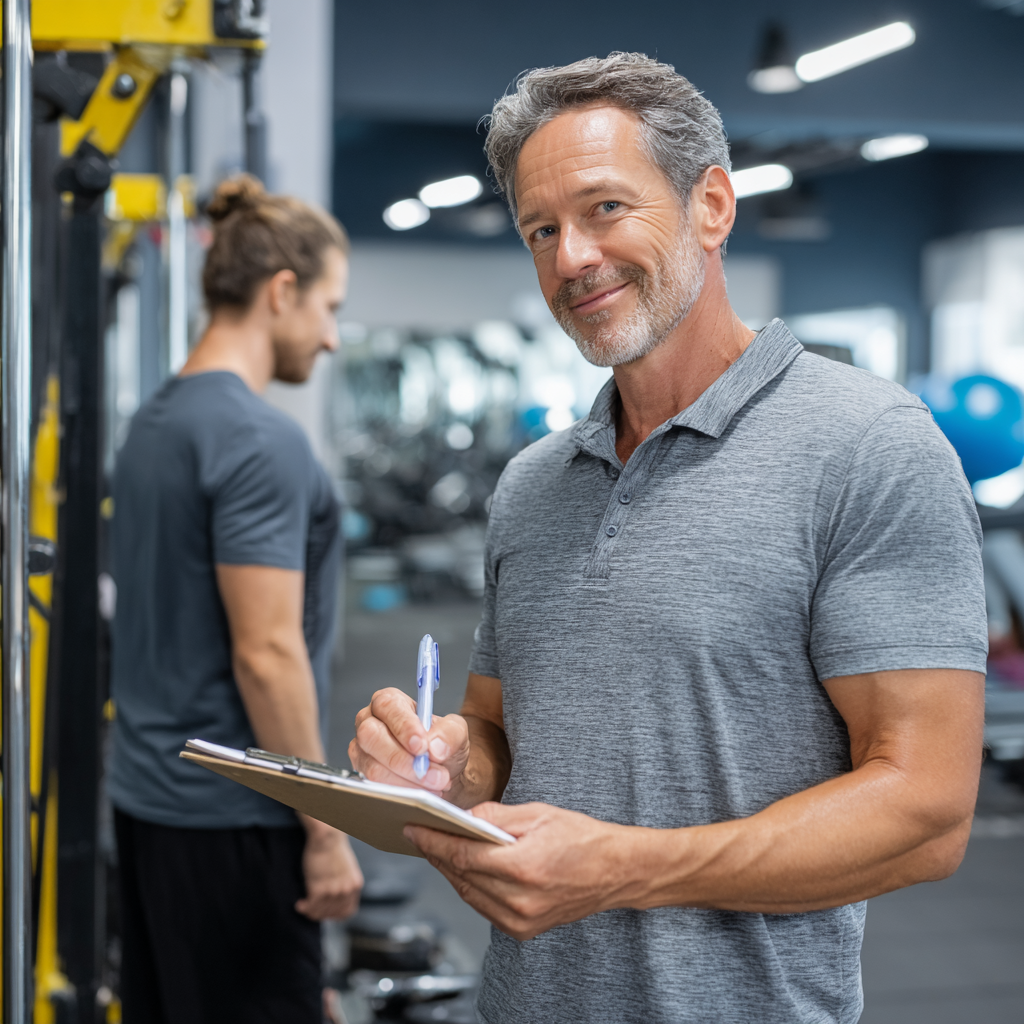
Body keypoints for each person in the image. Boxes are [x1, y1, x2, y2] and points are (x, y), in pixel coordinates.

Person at [349, 53, 988, 1024]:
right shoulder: (530, 486)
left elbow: (924, 813)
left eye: (606, 208)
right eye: (541, 229)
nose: (570, 258)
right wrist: (438, 765)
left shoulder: (868, 446)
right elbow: (497, 734)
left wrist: (626, 870)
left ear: (712, 206)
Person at [109, 174, 363, 1023]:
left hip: (147, 811)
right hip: (234, 824)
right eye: (328, 307)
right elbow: (267, 652)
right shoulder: (259, 440)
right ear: (281, 292)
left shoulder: (153, 423)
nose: (330, 339)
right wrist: (323, 831)